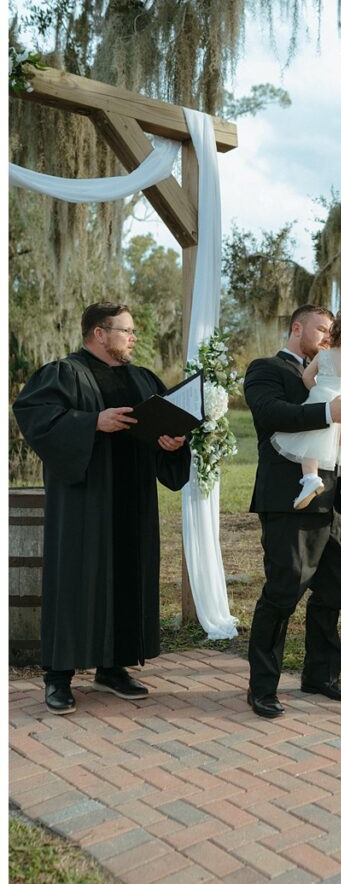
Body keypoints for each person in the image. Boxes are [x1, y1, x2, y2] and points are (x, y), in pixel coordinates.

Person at [12, 303, 191, 715]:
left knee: (127, 578)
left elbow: (167, 423)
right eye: (126, 330)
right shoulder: (63, 374)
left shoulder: (143, 379)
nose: (133, 337)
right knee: (77, 581)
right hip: (84, 504)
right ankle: (58, 676)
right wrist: (93, 422)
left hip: (133, 501)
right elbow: (35, 417)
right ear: (98, 332)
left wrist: (173, 442)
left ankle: (112, 668)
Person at [243, 304, 341, 718]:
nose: (328, 335)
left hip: (338, 499)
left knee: (335, 588)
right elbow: (270, 415)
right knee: (284, 592)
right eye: (321, 328)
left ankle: (321, 674)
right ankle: (262, 686)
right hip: (290, 500)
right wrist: (328, 413)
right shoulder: (267, 369)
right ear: (297, 327)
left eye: (332, 329)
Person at [270, 309, 341, 520]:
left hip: (323, 398)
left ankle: (311, 478)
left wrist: (317, 392)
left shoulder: (324, 356)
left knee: (310, 443)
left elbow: (308, 378)